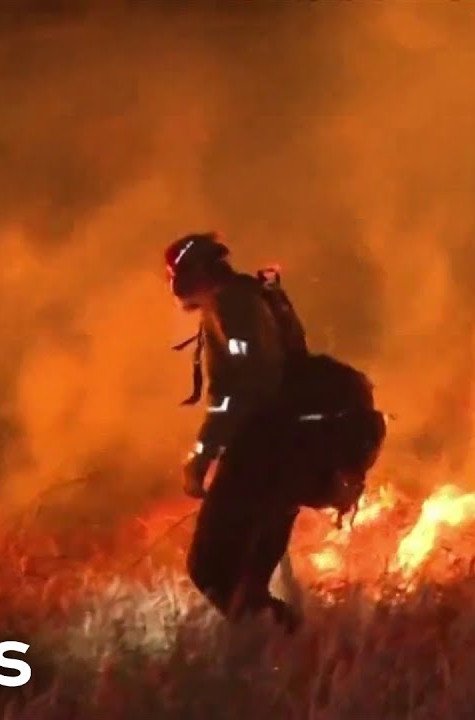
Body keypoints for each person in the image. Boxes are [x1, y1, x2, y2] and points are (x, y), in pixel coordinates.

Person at [164, 232, 386, 633]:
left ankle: (281, 646)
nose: (172, 283)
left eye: (174, 272)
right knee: (247, 578)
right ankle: (290, 651)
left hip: (264, 451)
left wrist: (203, 456)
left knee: (212, 570)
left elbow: (243, 389)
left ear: (195, 270)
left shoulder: (231, 303)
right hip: (283, 453)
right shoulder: (253, 297)